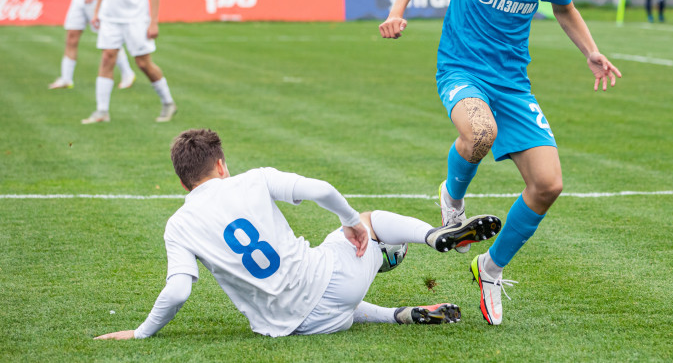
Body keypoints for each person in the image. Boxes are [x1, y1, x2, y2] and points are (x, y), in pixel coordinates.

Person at [378, 0, 621, 326]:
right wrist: (397, 11)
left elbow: (564, 7)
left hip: (512, 83)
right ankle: (452, 200)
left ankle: (489, 269)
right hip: (461, 69)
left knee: (549, 185)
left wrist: (591, 49)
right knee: (480, 132)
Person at [94, 129, 502, 339]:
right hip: (334, 284)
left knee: (328, 289)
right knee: (371, 219)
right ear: (221, 165)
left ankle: (397, 315)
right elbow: (322, 190)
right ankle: (435, 235)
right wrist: (352, 222)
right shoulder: (253, 179)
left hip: (288, 326)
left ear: (184, 184)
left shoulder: (178, 225)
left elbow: (179, 291)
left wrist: (140, 332)